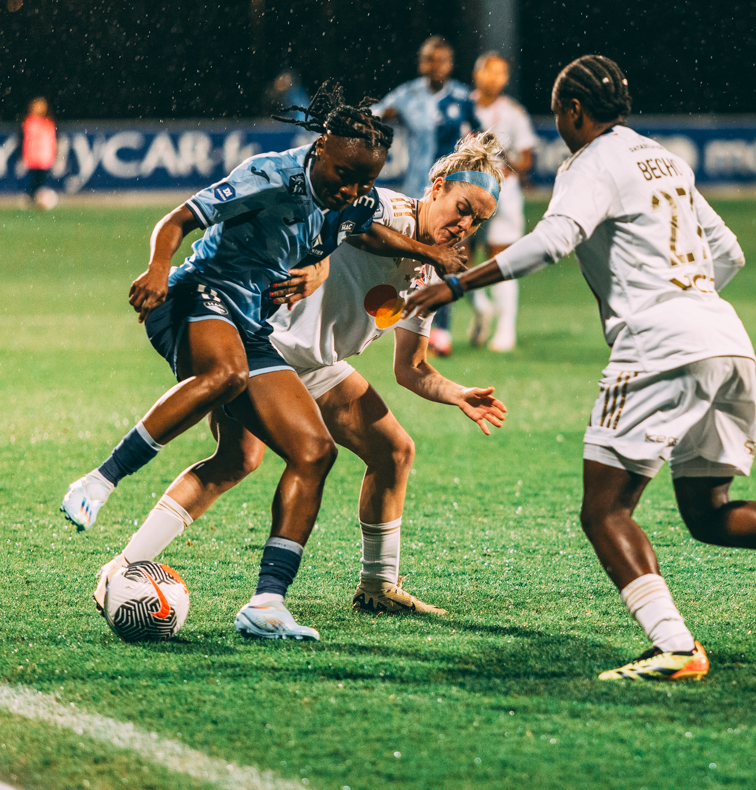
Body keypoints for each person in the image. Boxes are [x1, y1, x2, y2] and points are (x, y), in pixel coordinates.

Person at [404, 55, 756, 681]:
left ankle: (675, 647)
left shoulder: (590, 164)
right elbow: (730, 253)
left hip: (660, 345)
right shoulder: (665, 159)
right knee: (706, 510)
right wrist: (685, 302)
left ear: (574, 112)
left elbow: (553, 241)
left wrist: (457, 286)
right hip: (725, 339)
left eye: (559, 111)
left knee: (605, 511)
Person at [61, 82, 461, 640]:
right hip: (197, 292)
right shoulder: (272, 175)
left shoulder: (357, 201)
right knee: (225, 376)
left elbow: (365, 230)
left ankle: (266, 604)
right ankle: (101, 480)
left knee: (313, 451)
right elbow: (179, 219)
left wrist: (425, 253)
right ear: (322, 146)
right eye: (346, 174)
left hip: (250, 325)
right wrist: (157, 268)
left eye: (367, 180)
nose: (354, 189)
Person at [374, 36, 474, 357]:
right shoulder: (408, 95)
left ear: (450, 63)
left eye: (442, 60)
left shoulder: (462, 97)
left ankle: (441, 330)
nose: (436, 66)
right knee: (412, 260)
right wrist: (379, 118)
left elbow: (481, 136)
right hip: (417, 191)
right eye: (430, 60)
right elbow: (375, 115)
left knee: (443, 256)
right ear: (422, 63)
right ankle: (407, 320)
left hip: (452, 195)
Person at [465, 52, 539, 352]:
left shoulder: (513, 113)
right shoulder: (460, 105)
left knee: (501, 258)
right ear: (477, 74)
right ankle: (481, 306)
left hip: (503, 192)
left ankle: (505, 330)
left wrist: (509, 165)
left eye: (501, 73)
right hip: (466, 190)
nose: (495, 78)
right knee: (459, 258)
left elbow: (526, 158)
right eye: (489, 72)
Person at [22, 97, 57, 207]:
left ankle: (37, 201)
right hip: (33, 157)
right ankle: (32, 199)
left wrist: (53, 154)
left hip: (44, 157)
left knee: (41, 181)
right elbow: (24, 140)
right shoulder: (29, 122)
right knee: (34, 181)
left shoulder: (48, 123)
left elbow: (52, 141)